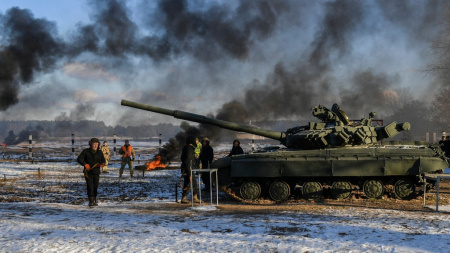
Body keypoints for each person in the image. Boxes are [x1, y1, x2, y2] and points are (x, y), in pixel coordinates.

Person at [77, 138, 105, 207]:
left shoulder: (100, 152)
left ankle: (95, 199)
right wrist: (85, 164)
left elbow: (103, 160)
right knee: (90, 187)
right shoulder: (86, 151)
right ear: (91, 144)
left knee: (95, 187)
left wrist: (102, 163)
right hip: (88, 172)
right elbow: (79, 159)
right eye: (94, 144)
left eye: (96, 144)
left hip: (96, 172)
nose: (95, 146)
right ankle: (91, 201)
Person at [180, 136, 200, 204]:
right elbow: (187, 160)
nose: (196, 142)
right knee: (192, 182)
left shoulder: (188, 148)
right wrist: (189, 172)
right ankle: (192, 198)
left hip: (187, 168)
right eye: (195, 140)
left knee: (188, 182)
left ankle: (187, 197)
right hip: (188, 169)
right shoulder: (188, 149)